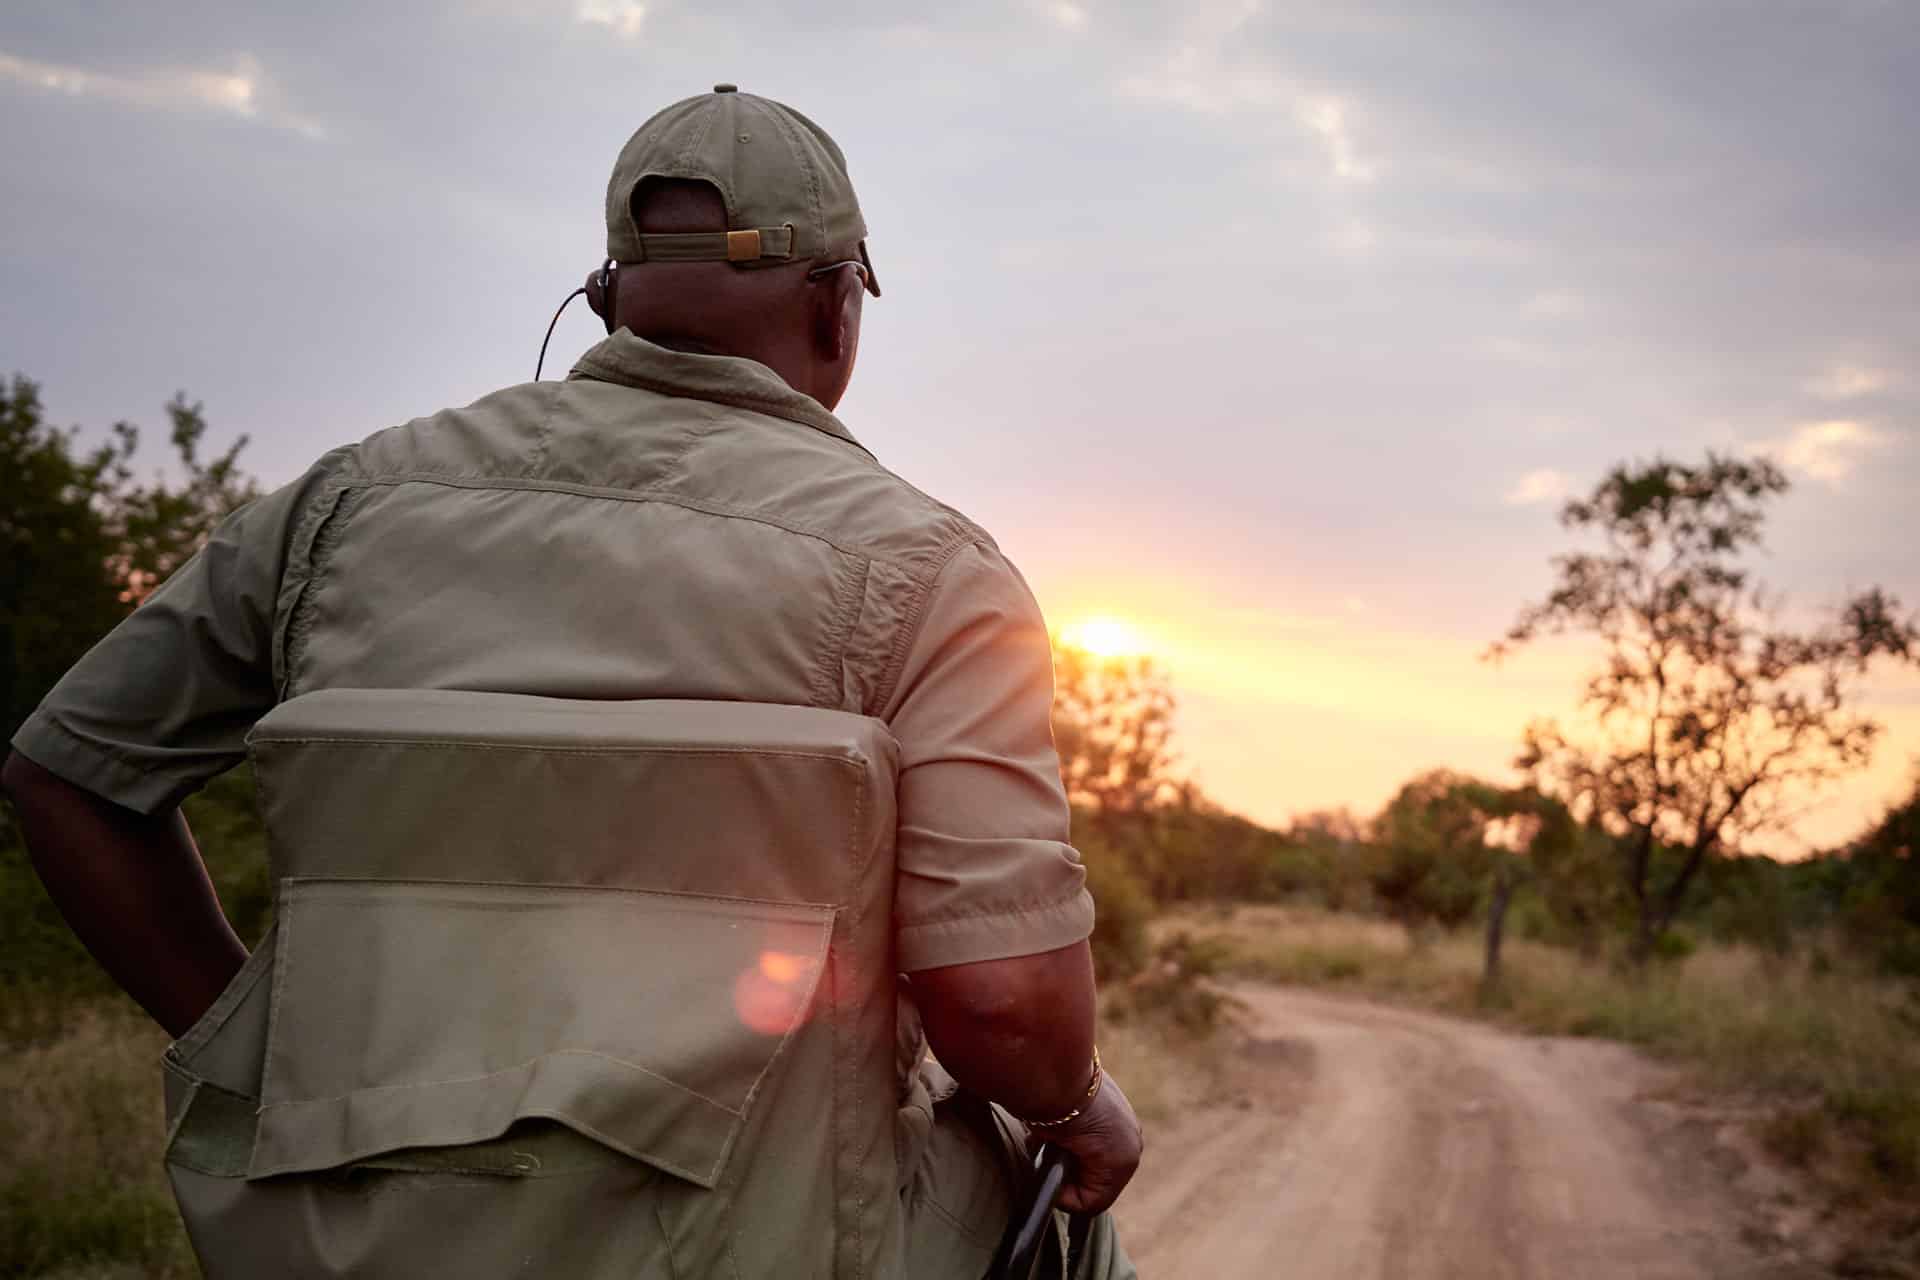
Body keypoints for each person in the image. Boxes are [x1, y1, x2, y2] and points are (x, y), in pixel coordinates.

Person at [2, 85, 1140, 1277]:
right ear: (835, 304)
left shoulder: (337, 510)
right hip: (778, 1239)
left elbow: (67, 773)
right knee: (1075, 1224)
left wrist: (260, 1048)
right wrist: (1073, 1105)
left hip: (343, 1232)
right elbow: (1005, 999)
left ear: (605, 298)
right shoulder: (934, 571)